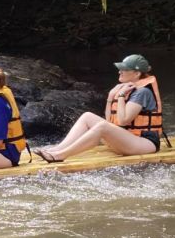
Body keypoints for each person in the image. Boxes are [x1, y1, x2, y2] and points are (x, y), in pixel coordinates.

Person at [34, 54, 163, 163]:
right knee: (87, 116)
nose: (119, 72)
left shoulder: (142, 92)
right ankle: (57, 149)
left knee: (102, 127)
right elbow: (110, 120)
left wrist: (122, 96)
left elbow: (123, 121)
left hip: (144, 143)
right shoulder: (128, 88)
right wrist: (111, 96)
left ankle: (60, 156)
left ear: (137, 73)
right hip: (126, 140)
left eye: (124, 69)